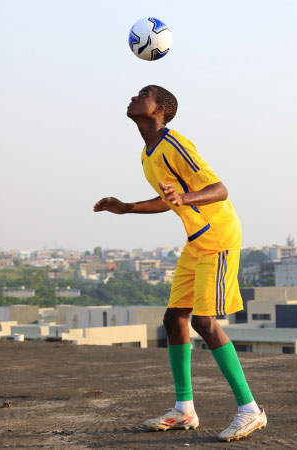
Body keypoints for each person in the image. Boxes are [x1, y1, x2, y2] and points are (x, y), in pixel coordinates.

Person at [93, 85, 267, 442]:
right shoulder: (148, 153)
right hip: (196, 241)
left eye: (143, 95)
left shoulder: (175, 144)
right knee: (175, 319)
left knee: (204, 321)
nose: (133, 97)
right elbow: (167, 200)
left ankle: (250, 410)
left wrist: (184, 196)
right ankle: (184, 410)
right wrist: (128, 207)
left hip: (217, 237)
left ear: (159, 110)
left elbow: (219, 189)